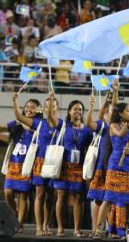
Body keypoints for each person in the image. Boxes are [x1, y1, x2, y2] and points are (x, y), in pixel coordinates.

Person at [0, 97, 41, 234]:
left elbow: (25, 122)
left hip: (27, 165)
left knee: (23, 196)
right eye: (27, 106)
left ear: (38, 110)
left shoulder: (39, 123)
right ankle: (15, 214)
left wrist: (15, 105)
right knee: (8, 192)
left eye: (33, 107)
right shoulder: (16, 123)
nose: (29, 109)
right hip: (14, 163)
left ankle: (20, 224)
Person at [92, 103, 129, 239]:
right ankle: (98, 229)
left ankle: (128, 232)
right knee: (108, 199)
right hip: (116, 164)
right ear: (120, 113)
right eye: (128, 111)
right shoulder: (113, 126)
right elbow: (120, 134)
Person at [48, 96, 93, 237]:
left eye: (80, 110)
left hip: (78, 167)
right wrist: (50, 102)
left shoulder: (87, 131)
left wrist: (92, 106)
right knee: (61, 196)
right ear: (69, 112)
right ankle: (60, 228)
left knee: (78, 198)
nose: (78, 112)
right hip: (63, 166)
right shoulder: (63, 125)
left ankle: (77, 230)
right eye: (75, 109)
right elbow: (50, 117)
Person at [13, 93, 56, 236]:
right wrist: (15, 101)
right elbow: (19, 117)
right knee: (40, 194)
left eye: (53, 105)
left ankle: (46, 225)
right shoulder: (39, 123)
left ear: (56, 108)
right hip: (40, 162)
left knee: (50, 196)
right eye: (47, 105)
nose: (50, 107)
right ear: (43, 109)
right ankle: (38, 227)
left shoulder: (62, 124)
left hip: (55, 163)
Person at [85, 81, 118, 237]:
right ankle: (95, 230)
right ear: (106, 113)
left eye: (113, 110)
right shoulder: (103, 126)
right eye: (109, 110)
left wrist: (114, 94)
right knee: (98, 199)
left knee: (112, 201)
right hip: (101, 167)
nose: (111, 112)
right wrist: (92, 106)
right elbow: (89, 123)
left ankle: (111, 230)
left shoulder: (120, 126)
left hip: (116, 167)